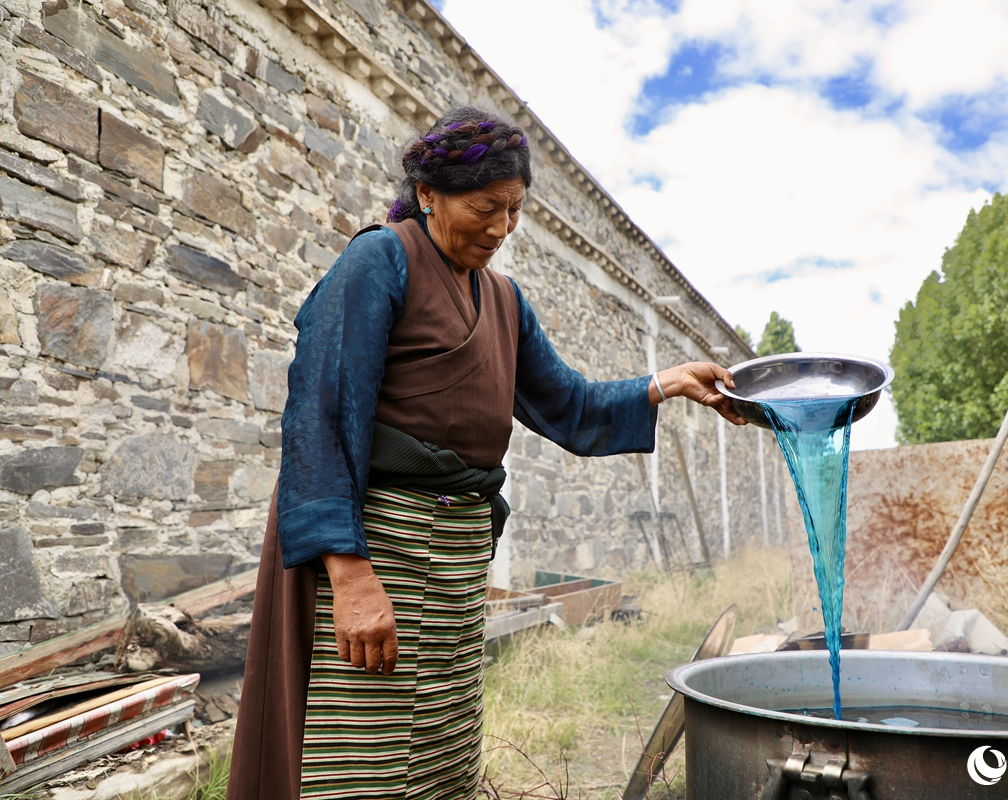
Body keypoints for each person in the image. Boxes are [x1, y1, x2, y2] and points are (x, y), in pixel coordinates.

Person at [227, 105, 745, 800]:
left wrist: (669, 382)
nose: (501, 228)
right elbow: (318, 414)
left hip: (458, 560)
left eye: (515, 210)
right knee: (363, 752)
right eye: (485, 208)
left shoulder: (503, 299)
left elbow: (571, 406)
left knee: (442, 751)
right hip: (381, 548)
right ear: (428, 193)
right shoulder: (379, 261)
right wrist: (350, 577)